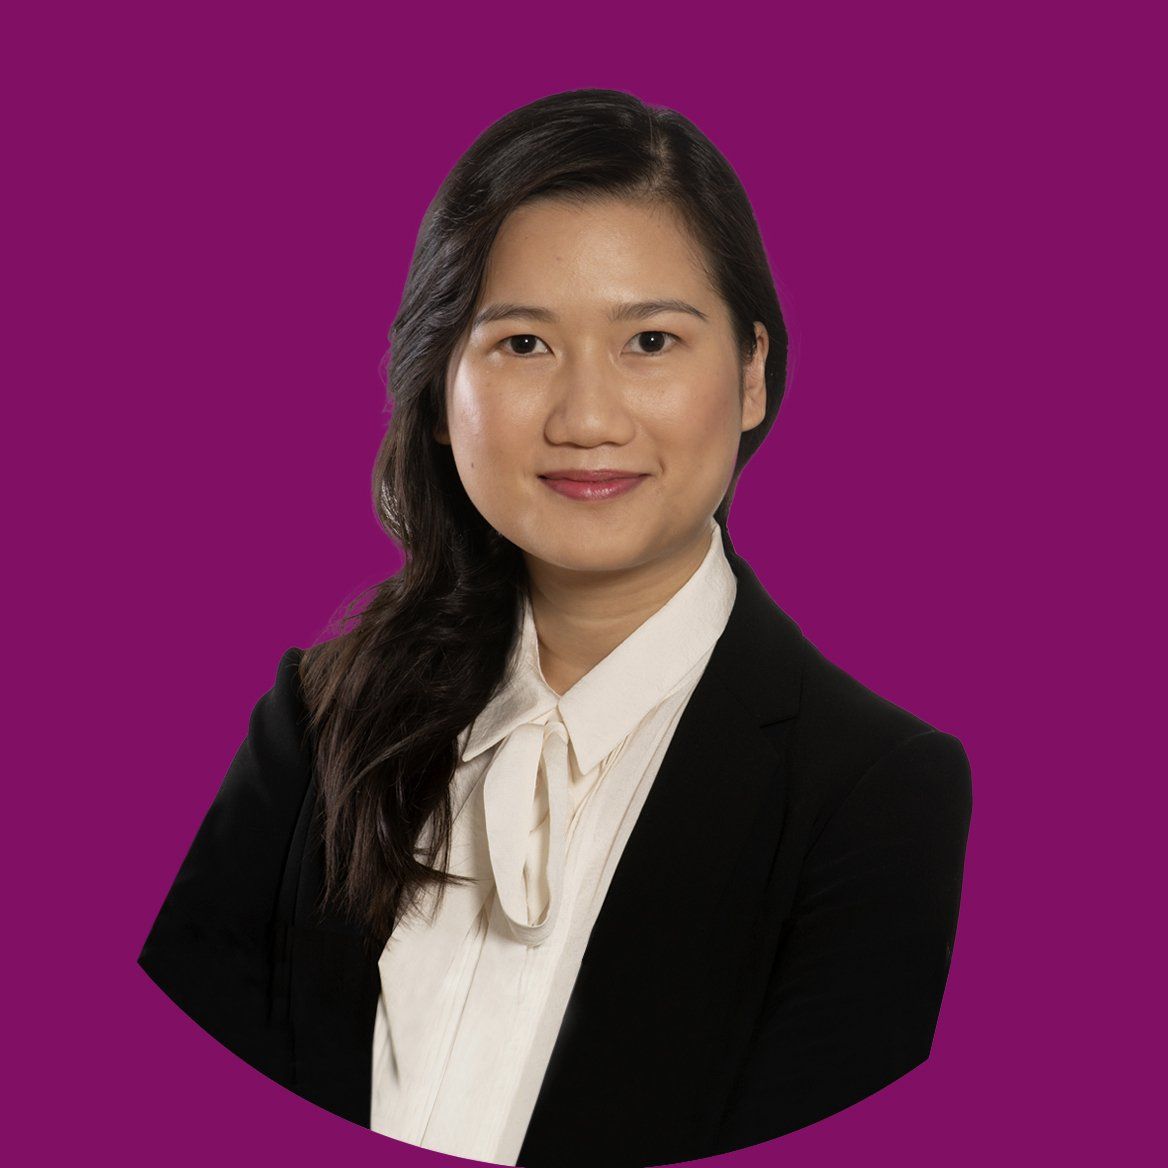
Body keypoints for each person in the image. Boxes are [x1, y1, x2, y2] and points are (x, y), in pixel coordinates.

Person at [137, 88, 973, 1168]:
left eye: (650, 341)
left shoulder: (875, 795)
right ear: (440, 390)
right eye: (524, 342)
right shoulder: (316, 720)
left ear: (751, 373)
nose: (586, 419)